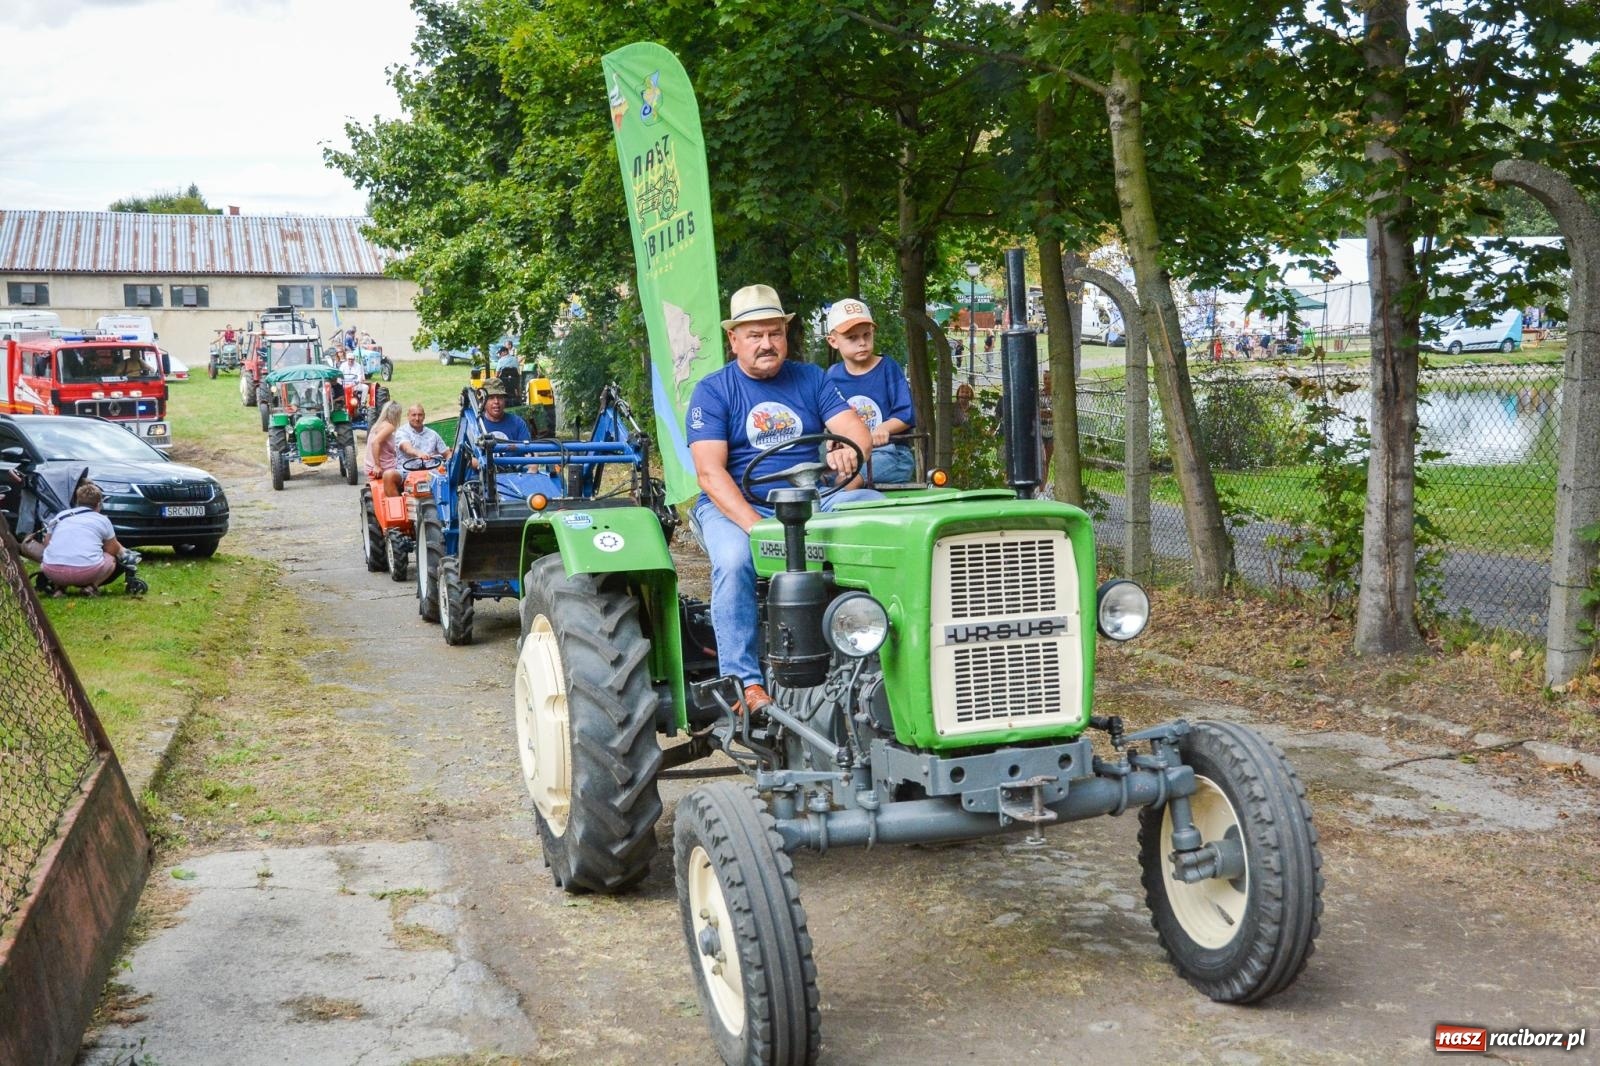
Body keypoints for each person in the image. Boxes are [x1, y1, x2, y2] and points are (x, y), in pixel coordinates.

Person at [687, 284, 880, 715]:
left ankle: (871, 649)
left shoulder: (811, 378)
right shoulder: (714, 391)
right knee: (736, 560)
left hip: (812, 496)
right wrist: (758, 530)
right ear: (733, 340)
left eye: (774, 333)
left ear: (785, 335)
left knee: (872, 519)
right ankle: (745, 682)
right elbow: (709, 473)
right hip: (739, 503)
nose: (766, 344)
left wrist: (850, 452)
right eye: (754, 335)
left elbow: (857, 431)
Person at [822, 298, 916, 485]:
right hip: (849, 453)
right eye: (852, 338)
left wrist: (884, 428)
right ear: (833, 341)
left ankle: (844, 500)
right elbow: (827, 416)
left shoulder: (887, 368)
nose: (862, 342)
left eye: (866, 335)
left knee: (847, 479)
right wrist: (831, 438)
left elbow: (907, 414)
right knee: (818, 473)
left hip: (890, 453)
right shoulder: (831, 376)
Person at [38, 482, 145, 596]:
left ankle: (59, 589)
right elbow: (112, 550)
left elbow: (47, 544)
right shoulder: (102, 520)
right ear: (99, 504)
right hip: (85, 572)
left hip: (52, 571)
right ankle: (91, 588)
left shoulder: (60, 516)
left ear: (77, 502)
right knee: (110, 558)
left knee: (59, 554)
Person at [365, 401, 404, 497]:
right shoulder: (389, 426)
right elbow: (375, 442)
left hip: (369, 466)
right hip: (385, 467)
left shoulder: (377, 425)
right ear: (396, 414)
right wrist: (377, 465)